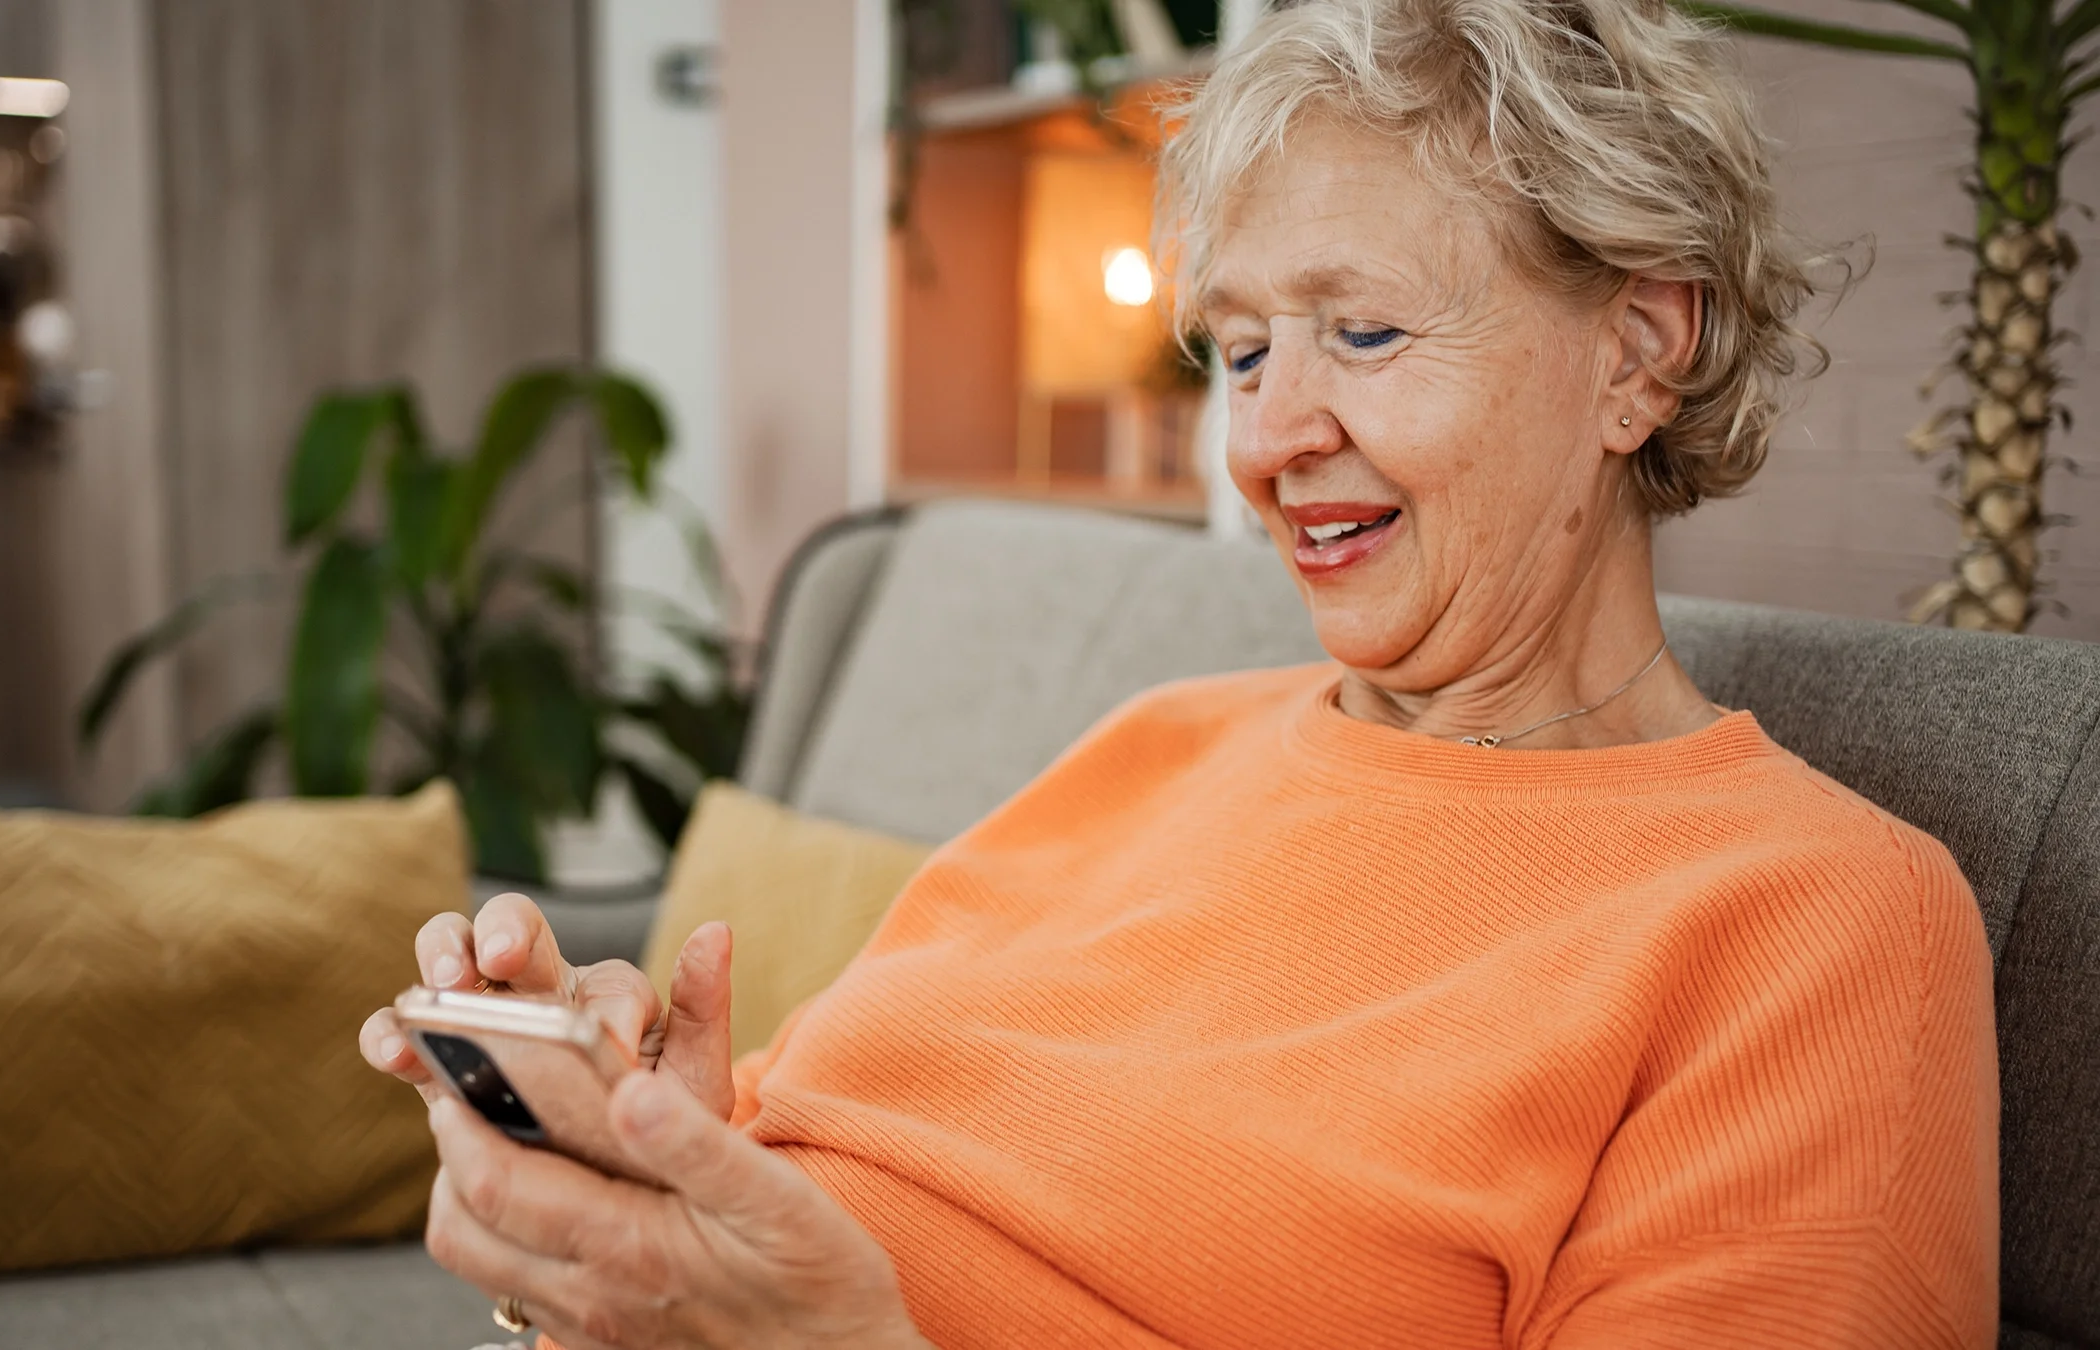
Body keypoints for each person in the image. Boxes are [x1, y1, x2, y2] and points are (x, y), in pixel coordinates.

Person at [358, 0, 2000, 1345]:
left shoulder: (1819, 927)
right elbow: (819, 1168)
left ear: (1640, 350)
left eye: (1360, 333)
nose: (1270, 440)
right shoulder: (1159, 742)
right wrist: (639, 1184)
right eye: (1241, 347)